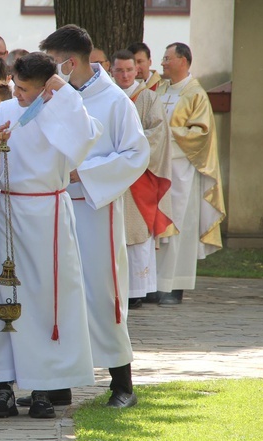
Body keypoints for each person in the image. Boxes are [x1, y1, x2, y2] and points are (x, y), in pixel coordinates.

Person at [0, 52, 99, 419]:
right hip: (10, 211)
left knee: (46, 300)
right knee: (6, 294)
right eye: (15, 84)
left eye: (26, 88)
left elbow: (84, 140)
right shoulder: (1, 111)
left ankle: (44, 388)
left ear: (47, 85)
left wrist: (64, 97)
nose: (18, 93)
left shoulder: (63, 109)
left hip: (49, 213)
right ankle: (3, 388)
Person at [38, 24, 149, 409]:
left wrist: (84, 174)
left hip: (94, 207)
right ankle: (60, 383)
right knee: (59, 292)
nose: (49, 71)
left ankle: (122, 384)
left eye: (53, 63)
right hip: (54, 206)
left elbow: (136, 155)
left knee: (103, 292)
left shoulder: (114, 101)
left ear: (70, 63)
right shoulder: (52, 97)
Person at [155, 42, 225, 305]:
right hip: (158, 169)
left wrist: (167, 134)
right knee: (158, 223)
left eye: (167, 58)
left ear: (183, 60)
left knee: (179, 224)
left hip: (182, 169)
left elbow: (201, 134)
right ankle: (155, 284)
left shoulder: (196, 94)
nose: (162, 63)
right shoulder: (161, 89)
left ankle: (175, 285)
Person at [110, 50, 176, 307]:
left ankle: (137, 290)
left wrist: (128, 147)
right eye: (119, 70)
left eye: (129, 70)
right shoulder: (108, 97)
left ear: (137, 71)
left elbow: (158, 133)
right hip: (113, 174)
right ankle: (115, 288)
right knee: (114, 231)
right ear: (112, 72)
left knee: (137, 230)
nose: (125, 75)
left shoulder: (149, 98)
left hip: (139, 177)